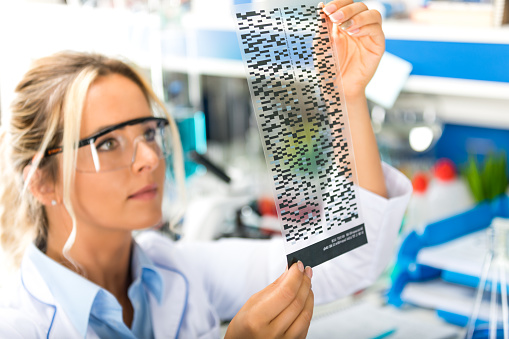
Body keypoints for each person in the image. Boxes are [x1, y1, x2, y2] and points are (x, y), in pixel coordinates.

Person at [0, 1, 411, 338]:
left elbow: (347, 258)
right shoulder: (19, 326)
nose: (148, 158)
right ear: (41, 180)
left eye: (148, 132)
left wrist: (346, 96)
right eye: (107, 143)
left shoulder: (176, 271)